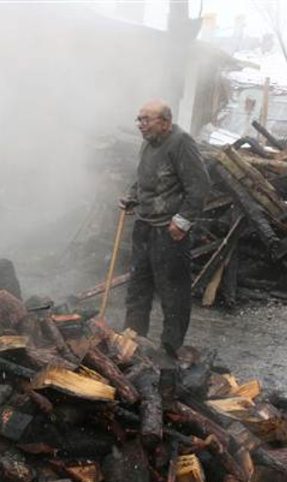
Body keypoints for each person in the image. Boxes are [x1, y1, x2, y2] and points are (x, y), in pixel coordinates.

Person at [119, 99, 210, 357]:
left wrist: (181, 222)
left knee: (173, 293)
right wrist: (132, 197)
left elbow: (200, 186)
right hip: (145, 227)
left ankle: (170, 350)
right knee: (138, 286)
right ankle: (132, 341)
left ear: (166, 122)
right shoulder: (149, 143)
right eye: (139, 119)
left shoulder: (181, 143)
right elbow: (144, 179)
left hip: (169, 232)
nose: (140, 125)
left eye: (146, 119)